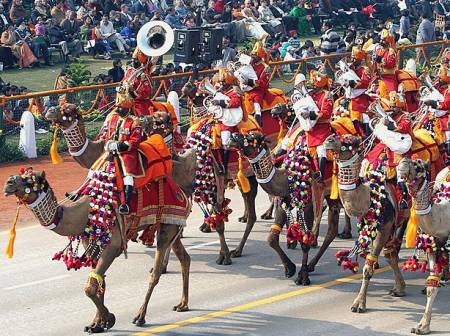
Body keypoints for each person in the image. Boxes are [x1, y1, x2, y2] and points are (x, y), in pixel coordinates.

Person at [99, 96, 144, 215]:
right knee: (96, 166)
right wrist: (108, 143)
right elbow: (108, 135)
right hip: (111, 151)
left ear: (127, 108)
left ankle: (126, 204)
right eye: (117, 106)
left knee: (128, 176)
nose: (117, 109)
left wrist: (118, 146)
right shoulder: (113, 119)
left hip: (127, 154)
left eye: (120, 107)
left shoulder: (135, 122)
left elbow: (135, 141)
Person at [211, 68, 243, 176]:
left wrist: (219, 102)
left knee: (225, 141)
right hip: (217, 117)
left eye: (222, 82)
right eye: (220, 82)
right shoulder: (220, 89)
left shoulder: (235, 90)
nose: (220, 84)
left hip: (228, 120)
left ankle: (223, 167)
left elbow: (236, 102)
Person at [304, 69, 333, 182]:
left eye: (315, 84)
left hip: (322, 129)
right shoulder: (310, 94)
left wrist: (310, 114)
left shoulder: (327, 95)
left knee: (321, 150)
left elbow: (326, 114)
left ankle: (320, 174)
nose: (313, 86)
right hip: (309, 127)